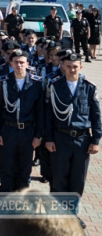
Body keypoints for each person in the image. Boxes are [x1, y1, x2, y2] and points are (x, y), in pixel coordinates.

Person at [44, 51, 100, 230]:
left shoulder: (89, 87)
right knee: (59, 178)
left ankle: (72, 214)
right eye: (68, 66)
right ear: (62, 66)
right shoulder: (54, 86)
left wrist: (96, 140)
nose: (71, 69)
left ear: (81, 67)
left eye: (75, 66)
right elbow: (48, 116)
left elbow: (96, 116)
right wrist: (49, 138)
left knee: (78, 180)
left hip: (82, 140)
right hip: (60, 138)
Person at [0, 49, 44, 192]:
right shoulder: (3, 82)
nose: (19, 65)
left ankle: (22, 195)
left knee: (25, 166)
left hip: (27, 130)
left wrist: (38, 135)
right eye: (16, 62)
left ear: (27, 64)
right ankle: (6, 193)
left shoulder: (36, 84)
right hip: (8, 129)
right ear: (11, 63)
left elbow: (40, 112)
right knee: (6, 164)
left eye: (22, 62)